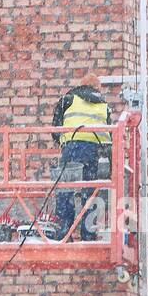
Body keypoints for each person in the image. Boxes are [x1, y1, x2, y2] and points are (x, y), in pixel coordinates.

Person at [50, 73, 112, 241]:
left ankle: (63, 231)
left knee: (65, 190)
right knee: (90, 193)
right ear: (97, 88)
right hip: (93, 152)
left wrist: (62, 141)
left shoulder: (69, 98)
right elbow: (110, 135)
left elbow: (55, 128)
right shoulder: (104, 105)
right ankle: (88, 234)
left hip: (71, 148)